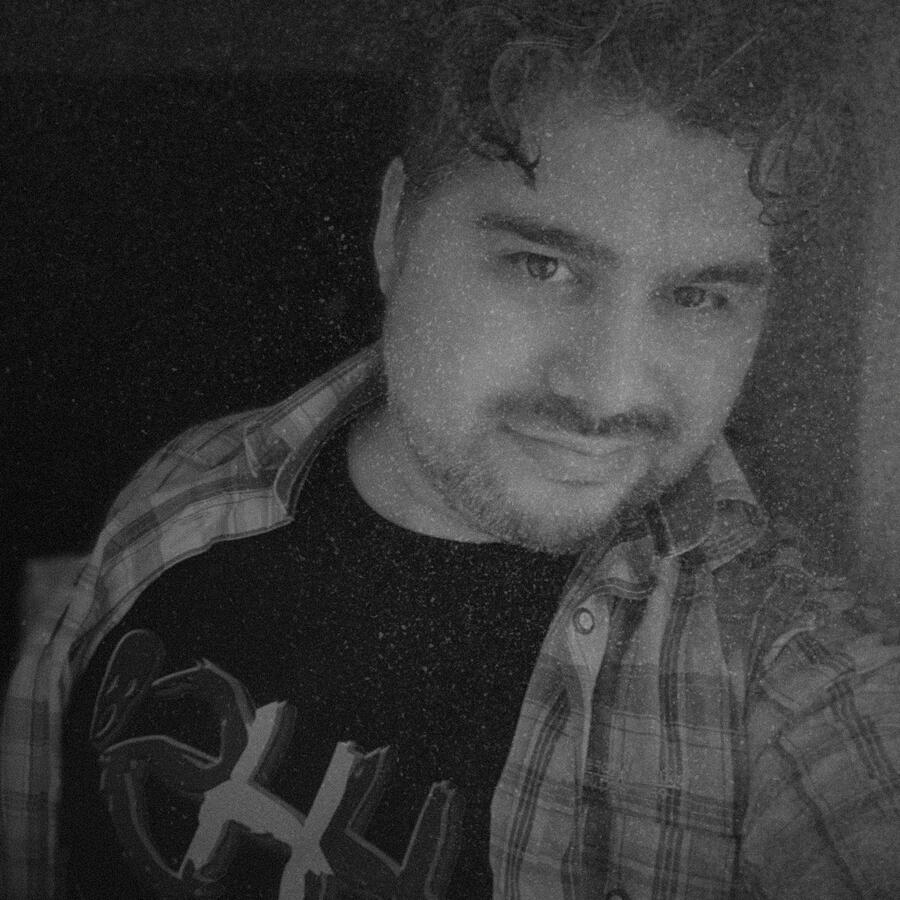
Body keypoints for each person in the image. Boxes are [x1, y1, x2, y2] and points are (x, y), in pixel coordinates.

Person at [4, 1, 900, 897]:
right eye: (542, 266)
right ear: (395, 228)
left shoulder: (800, 688)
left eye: (699, 298)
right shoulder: (188, 486)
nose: (607, 392)